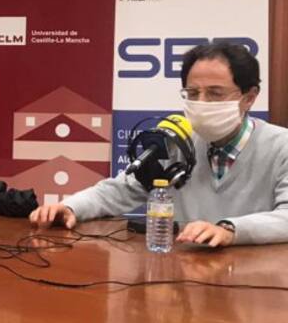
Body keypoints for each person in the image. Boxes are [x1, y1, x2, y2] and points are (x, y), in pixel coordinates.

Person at [31, 40, 288, 247]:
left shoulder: (281, 146)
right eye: (192, 93)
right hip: (184, 276)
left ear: (249, 97)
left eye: (215, 93)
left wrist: (230, 230)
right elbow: (121, 189)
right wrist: (71, 207)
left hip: (256, 282)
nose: (201, 102)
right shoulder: (178, 141)